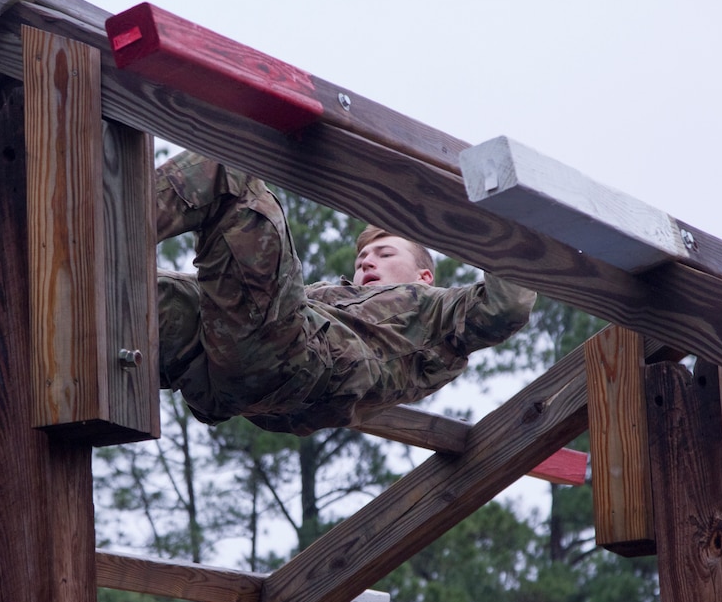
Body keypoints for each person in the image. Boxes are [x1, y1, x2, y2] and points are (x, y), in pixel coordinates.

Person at [155, 150, 536, 436]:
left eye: (385, 254)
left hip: (294, 363)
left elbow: (506, 308)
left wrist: (503, 208)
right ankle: (99, 254)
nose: (367, 262)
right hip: (220, 366)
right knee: (145, 293)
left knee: (233, 175)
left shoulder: (437, 312)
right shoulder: (329, 298)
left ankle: (100, 215)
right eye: (362, 258)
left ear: (424, 276)